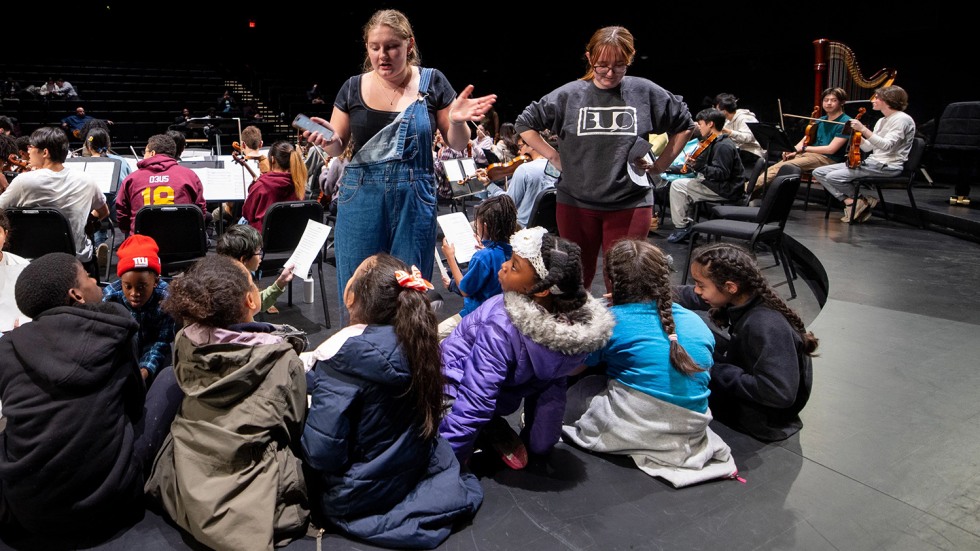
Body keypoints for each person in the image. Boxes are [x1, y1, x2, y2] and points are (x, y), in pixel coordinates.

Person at [301, 9, 496, 323]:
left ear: (409, 44)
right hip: (360, 196)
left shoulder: (433, 81)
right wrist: (327, 142)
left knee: (410, 287)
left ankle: (409, 363)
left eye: (391, 46)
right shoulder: (352, 87)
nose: (382, 55)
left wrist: (458, 122)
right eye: (374, 47)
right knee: (357, 287)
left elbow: (458, 144)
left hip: (414, 199)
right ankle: (356, 358)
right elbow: (338, 144)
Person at [300, 253, 483, 548]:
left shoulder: (345, 359)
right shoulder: (420, 342)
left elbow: (321, 453)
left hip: (358, 496)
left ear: (351, 297)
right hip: (412, 472)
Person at [0, 252, 181, 546]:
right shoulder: (116, 330)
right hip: (112, 505)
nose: (96, 280)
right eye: (87, 277)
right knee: (169, 378)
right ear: (76, 295)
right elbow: (134, 406)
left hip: (28, 513)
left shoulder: (9, 345)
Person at [144, 254, 310, 550]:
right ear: (251, 300)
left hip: (183, 488)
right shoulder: (283, 358)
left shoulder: (184, 340)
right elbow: (294, 426)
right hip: (248, 518)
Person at [515, 25, 695, 290]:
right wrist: (553, 156)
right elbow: (524, 123)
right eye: (602, 65)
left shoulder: (644, 91)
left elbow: (684, 124)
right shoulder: (568, 95)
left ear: (630, 60)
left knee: (624, 284)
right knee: (575, 281)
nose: (610, 73)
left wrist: (660, 167)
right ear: (589, 58)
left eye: (619, 65)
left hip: (630, 203)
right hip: (575, 203)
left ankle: (620, 331)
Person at [561, 238, 737, 487]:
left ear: (614, 280)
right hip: (689, 430)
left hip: (637, 428)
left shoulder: (610, 320)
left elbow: (573, 367)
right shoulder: (696, 322)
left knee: (582, 386)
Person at [440, 227, 615, 469]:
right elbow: (552, 391)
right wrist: (540, 445)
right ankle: (487, 426)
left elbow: (476, 397)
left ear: (542, 289)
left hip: (450, 383)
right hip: (501, 392)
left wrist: (446, 464)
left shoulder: (502, 322)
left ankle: (478, 429)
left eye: (514, 266)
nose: (503, 266)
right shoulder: (571, 334)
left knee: (426, 426)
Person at [674, 242, 818, 442]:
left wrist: (713, 369)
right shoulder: (747, 294)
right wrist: (656, 294)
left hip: (767, 419)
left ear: (730, 287)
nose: (697, 290)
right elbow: (693, 296)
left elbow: (779, 393)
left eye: (701, 285)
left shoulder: (765, 324)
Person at [0, 126, 108, 276]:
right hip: (76, 264)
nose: (29, 151)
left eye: (32, 147)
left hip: (31, 263)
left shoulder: (24, 181)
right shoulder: (86, 180)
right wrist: (88, 221)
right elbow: (104, 212)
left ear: (45, 152)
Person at [811, 85, 916, 223]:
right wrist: (855, 135)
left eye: (876, 98)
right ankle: (855, 201)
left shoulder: (902, 119)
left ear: (888, 100)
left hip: (887, 166)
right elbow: (868, 148)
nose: (873, 101)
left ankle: (859, 201)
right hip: (873, 162)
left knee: (832, 177)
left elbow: (886, 146)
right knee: (818, 172)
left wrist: (864, 130)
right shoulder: (882, 120)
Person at [438, 194, 517, 339]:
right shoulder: (514, 250)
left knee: (435, 334)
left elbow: (464, 289)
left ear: (484, 226)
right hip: (501, 315)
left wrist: (450, 258)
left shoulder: (483, 257)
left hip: (476, 316)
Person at [101, 235, 175, 384]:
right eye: (127, 286)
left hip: (154, 351)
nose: (134, 293)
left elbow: (162, 341)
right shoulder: (110, 298)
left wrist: (146, 369)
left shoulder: (166, 300)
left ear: (155, 281)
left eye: (141, 287)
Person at [666, 108, 745, 244]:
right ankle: (688, 223)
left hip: (726, 189)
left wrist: (698, 167)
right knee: (684, 183)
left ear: (710, 124)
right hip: (717, 184)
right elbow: (702, 167)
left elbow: (721, 174)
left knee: (678, 186)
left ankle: (682, 227)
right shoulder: (711, 142)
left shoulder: (723, 146)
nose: (698, 126)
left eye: (700, 123)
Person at [754, 87, 851, 196]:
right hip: (811, 155)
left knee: (784, 167)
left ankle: (746, 190)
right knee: (777, 166)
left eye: (834, 100)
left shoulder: (846, 122)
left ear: (842, 102)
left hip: (828, 158)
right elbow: (805, 139)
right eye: (826, 100)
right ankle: (752, 191)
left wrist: (804, 148)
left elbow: (831, 150)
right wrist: (792, 150)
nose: (829, 103)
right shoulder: (821, 119)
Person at [114, 133, 207, 237]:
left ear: (152, 153)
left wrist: (130, 230)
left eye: (145, 152)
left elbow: (122, 213)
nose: (143, 156)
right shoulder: (190, 176)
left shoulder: (131, 179)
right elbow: (201, 210)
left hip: (143, 246)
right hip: (182, 244)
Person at [486, 130, 560, 227]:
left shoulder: (524, 169)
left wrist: (489, 185)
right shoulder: (558, 166)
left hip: (522, 229)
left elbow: (508, 203)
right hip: (550, 227)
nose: (518, 151)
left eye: (520, 147)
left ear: (533, 145)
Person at [216, 223, 296, 312]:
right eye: (258, 252)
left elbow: (256, 303)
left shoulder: (223, 279)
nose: (261, 256)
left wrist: (280, 283)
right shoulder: (236, 292)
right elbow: (256, 305)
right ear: (243, 259)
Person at [84, 126, 133, 267]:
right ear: (108, 144)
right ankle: (101, 245)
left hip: (95, 215)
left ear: (88, 145)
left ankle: (97, 245)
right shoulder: (121, 161)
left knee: (94, 203)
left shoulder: (84, 164)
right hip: (119, 212)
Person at [241, 140, 307, 233]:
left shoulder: (261, 186)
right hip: (291, 238)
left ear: (272, 159)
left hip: (262, 241)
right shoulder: (298, 184)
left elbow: (247, 213)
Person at [714, 93, 765, 168]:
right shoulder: (727, 121)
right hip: (739, 151)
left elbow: (749, 137)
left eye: (717, 110)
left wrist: (730, 132)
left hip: (752, 152)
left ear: (724, 111)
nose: (716, 112)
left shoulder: (745, 118)